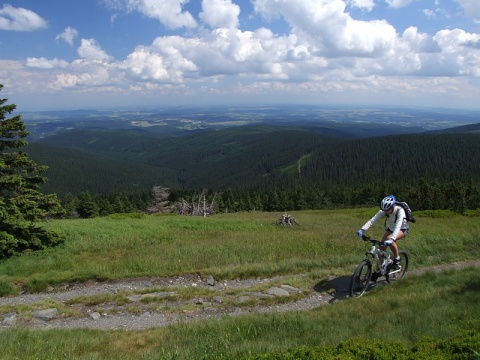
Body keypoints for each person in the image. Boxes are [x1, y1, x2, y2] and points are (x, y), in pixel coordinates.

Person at [356, 194, 409, 281]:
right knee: (381, 250)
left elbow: (398, 226)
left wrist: (391, 239)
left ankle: (397, 259)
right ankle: (377, 272)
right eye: (384, 210)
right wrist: (362, 229)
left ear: (393, 207)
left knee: (390, 240)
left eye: (387, 210)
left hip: (402, 229)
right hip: (391, 229)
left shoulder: (400, 211)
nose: (385, 212)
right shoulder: (384, 211)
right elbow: (373, 220)